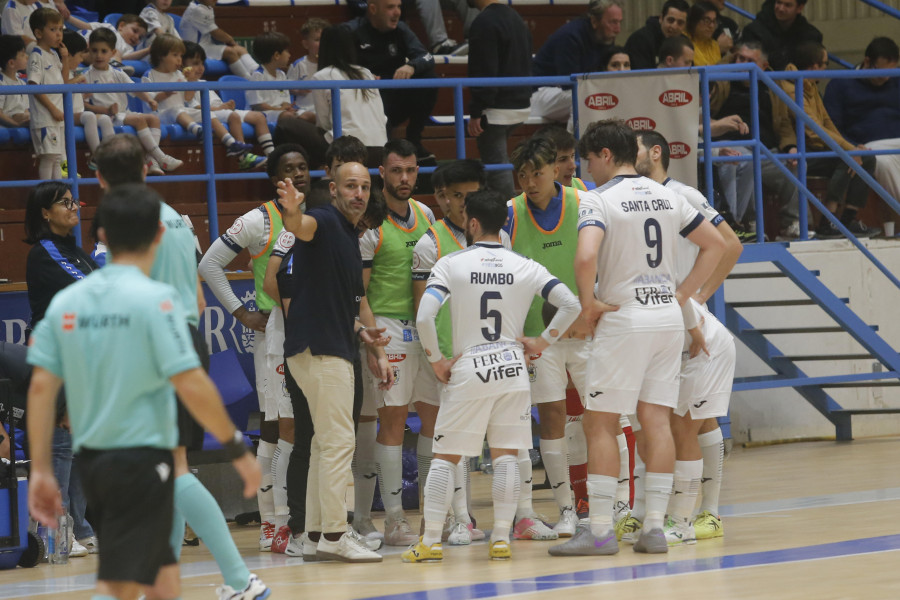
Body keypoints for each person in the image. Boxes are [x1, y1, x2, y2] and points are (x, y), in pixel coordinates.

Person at [26, 184, 261, 600]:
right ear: (157, 236)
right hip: (143, 459)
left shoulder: (69, 302)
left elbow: (42, 387)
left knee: (159, 580)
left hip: (98, 462)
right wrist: (236, 448)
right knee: (123, 582)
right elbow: (190, 382)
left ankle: (240, 581)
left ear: (101, 238)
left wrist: (41, 470)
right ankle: (241, 581)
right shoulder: (158, 302)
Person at [92, 134, 271, 599]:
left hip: (149, 346)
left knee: (172, 470)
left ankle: (239, 578)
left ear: (98, 178)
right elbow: (195, 295)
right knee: (172, 469)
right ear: (147, 170)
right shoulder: (176, 219)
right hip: (188, 340)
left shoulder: (118, 223)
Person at [549, 120, 724, 556]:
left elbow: (586, 254)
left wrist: (587, 305)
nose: (587, 169)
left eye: (589, 159)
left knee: (600, 422)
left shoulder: (597, 199)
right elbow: (717, 245)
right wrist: (683, 294)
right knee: (657, 421)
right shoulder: (668, 194)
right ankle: (653, 528)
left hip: (624, 317)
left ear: (606, 154)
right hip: (666, 318)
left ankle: (603, 529)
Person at [404, 189, 581, 563]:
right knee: (506, 456)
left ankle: (430, 540)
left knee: (445, 458)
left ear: (471, 222)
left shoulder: (451, 263)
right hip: (513, 366)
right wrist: (541, 343)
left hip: (470, 367)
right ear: (503, 222)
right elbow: (571, 303)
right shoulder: (525, 264)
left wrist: (436, 360)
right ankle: (500, 538)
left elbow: (424, 317)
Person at [199, 143, 312, 552]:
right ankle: (275, 522)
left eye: (303, 167)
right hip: (276, 331)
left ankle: (287, 520)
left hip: (315, 328)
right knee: (281, 426)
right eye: (289, 169)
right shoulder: (256, 221)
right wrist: (240, 313)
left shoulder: (317, 217)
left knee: (293, 427)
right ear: (275, 179)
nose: (298, 175)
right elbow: (209, 265)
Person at [633, 129, 740, 545]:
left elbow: (730, 246)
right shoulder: (631, 198)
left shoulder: (685, 195)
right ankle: (654, 511)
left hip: (684, 315)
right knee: (668, 420)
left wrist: (698, 295)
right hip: (659, 317)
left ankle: (706, 511)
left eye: (636, 147)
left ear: (656, 153)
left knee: (691, 421)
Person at [278, 162, 385, 563]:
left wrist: (362, 332)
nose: (359, 193)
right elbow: (300, 227)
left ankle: (316, 536)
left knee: (325, 445)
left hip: (318, 347)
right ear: (334, 189)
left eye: (364, 186)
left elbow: (335, 301)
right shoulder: (323, 219)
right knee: (339, 443)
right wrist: (291, 213)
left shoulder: (349, 237)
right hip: (322, 352)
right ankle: (338, 535)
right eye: (351, 186)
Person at [502, 137, 583, 540]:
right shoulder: (510, 215)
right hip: (537, 337)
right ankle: (567, 511)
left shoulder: (583, 201)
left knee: (607, 416)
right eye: (523, 174)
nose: (530, 181)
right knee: (551, 419)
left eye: (537, 172)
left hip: (586, 328)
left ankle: (616, 505)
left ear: (555, 168)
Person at [410, 160, 492, 546]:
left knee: (493, 439)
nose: (463, 203)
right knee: (455, 439)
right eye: (455, 195)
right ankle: (459, 519)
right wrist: (437, 356)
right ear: (440, 198)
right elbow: (421, 307)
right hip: (450, 355)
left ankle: (495, 517)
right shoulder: (430, 243)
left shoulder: (495, 237)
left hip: (490, 351)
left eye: (469, 195)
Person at [360, 138, 437, 546]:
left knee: (433, 417)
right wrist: (373, 346)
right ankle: (394, 520)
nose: (404, 178)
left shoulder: (425, 214)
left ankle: (431, 515)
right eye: (396, 171)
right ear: (382, 174)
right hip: (387, 328)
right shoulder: (371, 225)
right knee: (391, 421)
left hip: (425, 327)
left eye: (410, 171)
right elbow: (360, 294)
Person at [24, 181, 98, 558]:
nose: (73, 207)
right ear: (44, 213)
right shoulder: (45, 251)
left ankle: (80, 527)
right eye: (64, 203)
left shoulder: (75, 248)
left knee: (81, 444)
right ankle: (56, 528)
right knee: (62, 443)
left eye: (74, 201)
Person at [776, 41, 878, 239]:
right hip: (802, 150)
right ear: (814, 66)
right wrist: (847, 152)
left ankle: (848, 220)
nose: (826, 69)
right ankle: (828, 222)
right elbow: (813, 130)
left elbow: (826, 121)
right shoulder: (791, 87)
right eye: (824, 64)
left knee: (866, 158)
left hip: (817, 148)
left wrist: (850, 148)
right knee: (844, 160)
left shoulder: (810, 85)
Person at [709, 39, 803, 240]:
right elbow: (703, 116)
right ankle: (743, 224)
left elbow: (784, 123)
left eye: (748, 60)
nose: (741, 64)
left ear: (763, 66)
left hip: (767, 150)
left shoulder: (771, 85)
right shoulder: (720, 79)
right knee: (742, 159)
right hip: (733, 146)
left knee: (796, 162)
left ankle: (791, 225)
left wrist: (792, 146)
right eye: (739, 58)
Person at [143, 34, 266, 171]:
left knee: (207, 114)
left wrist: (190, 82)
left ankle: (231, 144)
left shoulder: (179, 75)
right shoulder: (150, 75)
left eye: (180, 56)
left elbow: (187, 98)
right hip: (161, 115)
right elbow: (150, 100)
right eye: (175, 55)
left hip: (183, 112)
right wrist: (165, 93)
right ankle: (198, 130)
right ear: (161, 55)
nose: (179, 60)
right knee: (177, 110)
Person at [343, 0, 438, 161]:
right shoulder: (352, 30)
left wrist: (411, 66)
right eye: (390, 7)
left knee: (429, 77)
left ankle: (414, 139)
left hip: (393, 95)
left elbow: (427, 57)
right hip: (366, 99)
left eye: (399, 7)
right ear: (373, 9)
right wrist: (363, 75)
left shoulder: (401, 29)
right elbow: (340, 67)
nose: (397, 12)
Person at [83, 27, 182, 175]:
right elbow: (83, 103)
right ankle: (161, 158)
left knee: (154, 119)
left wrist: (149, 100)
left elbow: (135, 89)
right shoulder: (86, 76)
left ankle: (151, 161)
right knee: (139, 120)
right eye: (94, 50)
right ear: (89, 50)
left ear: (113, 52)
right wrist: (104, 110)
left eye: (104, 51)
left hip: (123, 114)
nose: (99, 55)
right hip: (109, 117)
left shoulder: (117, 73)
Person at [824, 37, 900, 214]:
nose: (886, 78)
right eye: (881, 72)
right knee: (878, 158)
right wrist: (850, 146)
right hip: (869, 146)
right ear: (867, 61)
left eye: (892, 72)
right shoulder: (841, 84)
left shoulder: (897, 81)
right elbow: (832, 127)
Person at [466, 0, 532, 198]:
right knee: (497, 165)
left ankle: (507, 216)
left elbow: (484, 70)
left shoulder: (484, 22)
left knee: (497, 168)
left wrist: (477, 110)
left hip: (497, 108)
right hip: (521, 102)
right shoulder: (516, 18)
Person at [530, 0, 623, 125]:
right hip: (540, 93)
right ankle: (575, 143)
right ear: (594, 21)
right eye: (613, 22)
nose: (618, 29)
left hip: (564, 93)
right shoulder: (570, 37)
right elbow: (570, 84)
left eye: (619, 22)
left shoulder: (603, 37)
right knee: (584, 99)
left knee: (610, 96)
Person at [182, 41, 275, 162]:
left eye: (202, 63)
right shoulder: (182, 84)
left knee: (258, 117)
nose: (201, 68)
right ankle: (244, 158)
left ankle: (273, 157)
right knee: (233, 115)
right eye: (195, 63)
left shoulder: (203, 83)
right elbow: (194, 108)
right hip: (209, 115)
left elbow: (215, 103)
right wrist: (221, 108)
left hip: (218, 112)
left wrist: (225, 105)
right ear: (182, 65)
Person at [310, 26, 387, 152]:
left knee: (287, 125)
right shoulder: (366, 73)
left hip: (348, 149)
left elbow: (323, 124)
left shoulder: (321, 76)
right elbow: (382, 117)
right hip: (380, 146)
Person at [26, 7, 67, 180]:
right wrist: (53, 110)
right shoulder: (36, 55)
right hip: (45, 117)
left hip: (57, 116)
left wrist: (65, 58)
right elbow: (34, 86)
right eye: (53, 29)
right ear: (38, 32)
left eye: (60, 30)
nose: (58, 34)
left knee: (57, 159)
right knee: (49, 157)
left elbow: (64, 83)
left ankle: (57, 197)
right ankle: (46, 196)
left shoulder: (54, 55)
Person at [179, 0, 260, 79]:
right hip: (195, 49)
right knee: (230, 52)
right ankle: (249, 81)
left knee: (240, 49)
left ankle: (257, 72)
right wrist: (230, 40)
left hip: (206, 45)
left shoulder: (206, 6)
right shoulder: (197, 10)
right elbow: (215, 32)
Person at [740, 0, 822, 72]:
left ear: (799, 8)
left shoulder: (811, 35)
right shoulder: (753, 30)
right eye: (778, 2)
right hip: (761, 84)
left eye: (788, 5)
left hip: (799, 85)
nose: (781, 8)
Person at [625, 0, 689, 71]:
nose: (674, 26)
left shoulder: (685, 43)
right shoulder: (640, 40)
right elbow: (641, 76)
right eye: (670, 20)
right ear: (661, 18)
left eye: (680, 23)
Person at [288, 17, 329, 116]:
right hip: (304, 109)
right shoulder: (299, 65)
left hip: (327, 109)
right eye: (317, 40)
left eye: (325, 39)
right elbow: (288, 88)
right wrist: (299, 90)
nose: (322, 43)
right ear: (306, 44)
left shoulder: (332, 65)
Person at [533, 126, 593, 192]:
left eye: (572, 156)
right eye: (563, 159)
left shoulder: (591, 191)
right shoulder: (523, 201)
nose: (573, 166)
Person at [0, 34, 30, 128]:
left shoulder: (22, 83)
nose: (27, 57)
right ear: (11, 63)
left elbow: (25, 110)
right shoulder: (1, 83)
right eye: (22, 54)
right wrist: (16, 125)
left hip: (21, 122)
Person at [685, 1, 721, 67]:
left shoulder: (714, 45)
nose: (711, 26)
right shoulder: (683, 42)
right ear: (694, 21)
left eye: (714, 21)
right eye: (707, 21)